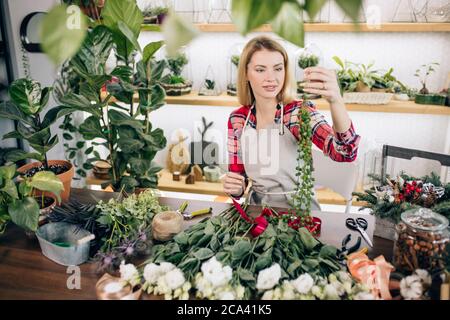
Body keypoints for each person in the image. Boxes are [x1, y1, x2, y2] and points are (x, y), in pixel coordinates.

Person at [223, 35, 361, 209]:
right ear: (245, 74)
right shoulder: (238, 120)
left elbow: (344, 153)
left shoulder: (296, 114)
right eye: (260, 70)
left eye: (278, 69)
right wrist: (235, 187)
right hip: (256, 214)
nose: (271, 78)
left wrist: (336, 100)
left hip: (299, 216)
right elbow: (238, 180)